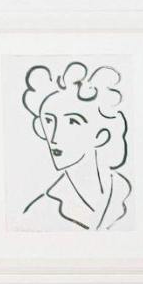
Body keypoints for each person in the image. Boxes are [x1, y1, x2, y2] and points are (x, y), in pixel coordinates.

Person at [21, 61, 131, 230]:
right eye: (49, 120)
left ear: (101, 135)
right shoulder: (39, 213)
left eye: (72, 121)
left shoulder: (130, 195)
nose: (55, 137)